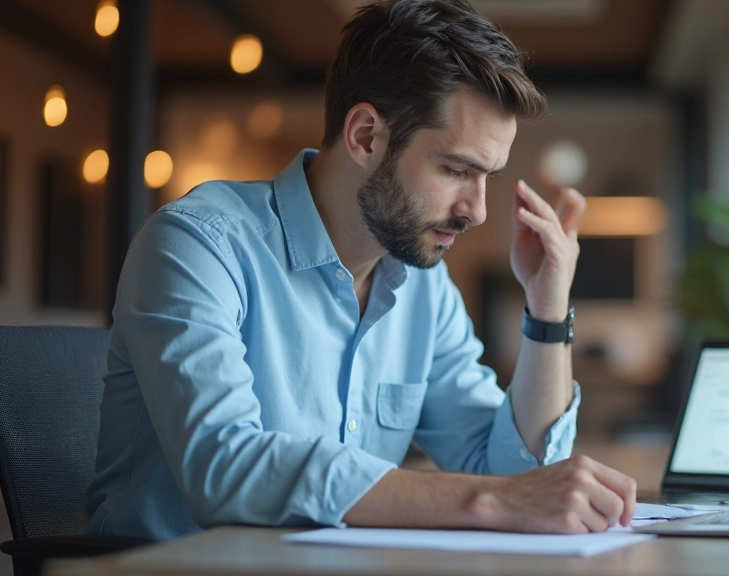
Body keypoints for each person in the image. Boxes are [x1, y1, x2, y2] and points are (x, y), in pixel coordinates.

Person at [86, 0, 636, 541]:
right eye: (455, 170)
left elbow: (518, 477)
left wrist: (546, 308)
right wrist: (488, 502)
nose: (478, 210)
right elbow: (223, 467)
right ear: (366, 136)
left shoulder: (425, 289)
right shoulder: (196, 246)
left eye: (487, 176)